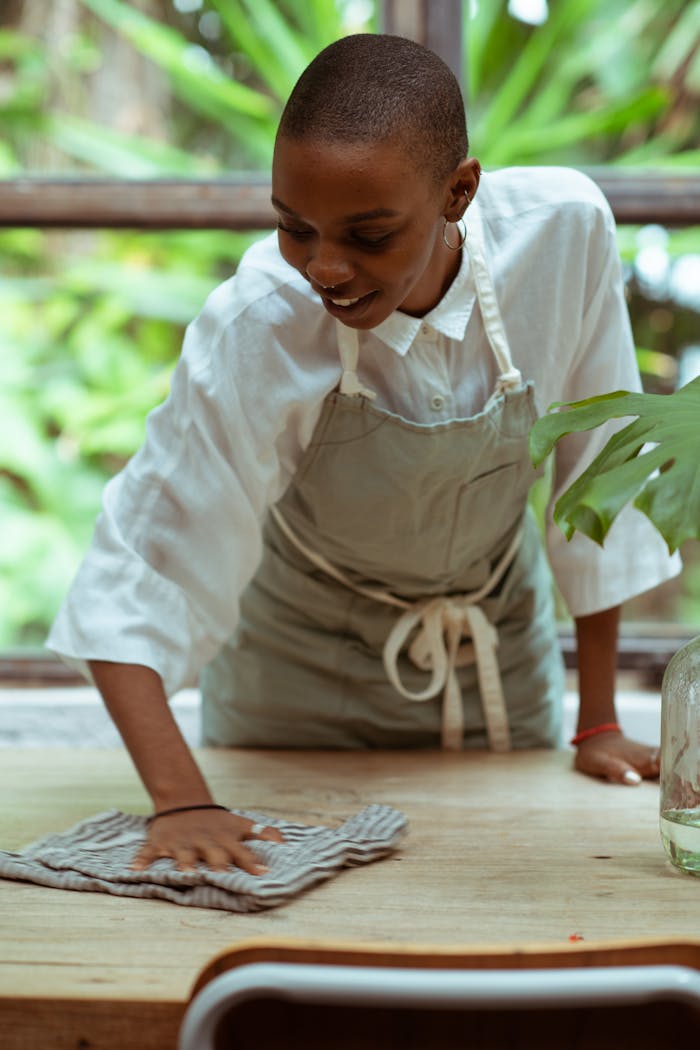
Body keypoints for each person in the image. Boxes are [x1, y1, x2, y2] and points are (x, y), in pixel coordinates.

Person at [48, 34, 680, 875]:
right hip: (290, 696)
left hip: (494, 683)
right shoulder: (259, 324)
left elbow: (599, 471)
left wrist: (597, 720)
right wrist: (184, 801)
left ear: (459, 192)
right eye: (292, 228)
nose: (325, 267)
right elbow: (138, 568)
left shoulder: (561, 236)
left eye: (368, 234)